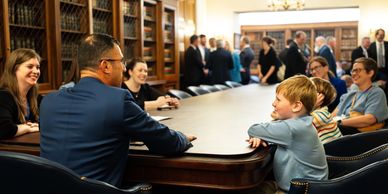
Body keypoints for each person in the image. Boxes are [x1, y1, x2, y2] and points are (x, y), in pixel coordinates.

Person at [40, 34, 195, 187]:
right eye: (121, 61)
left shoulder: (48, 101)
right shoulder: (118, 99)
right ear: (105, 66)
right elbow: (166, 142)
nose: (124, 67)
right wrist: (183, 137)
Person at [248, 75, 328, 193]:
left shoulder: (291, 129)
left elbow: (253, 129)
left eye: (278, 99)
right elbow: (267, 130)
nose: (273, 103)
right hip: (307, 187)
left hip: (299, 191)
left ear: (296, 106)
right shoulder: (303, 123)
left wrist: (260, 134)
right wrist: (262, 136)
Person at [333, 57, 388, 135]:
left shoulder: (376, 92)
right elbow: (332, 116)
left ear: (370, 73)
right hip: (343, 132)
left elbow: (369, 119)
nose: (354, 74)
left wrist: (339, 122)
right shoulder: (349, 95)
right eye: (353, 71)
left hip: (361, 136)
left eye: (358, 70)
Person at [0, 48, 40, 139]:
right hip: (10, 151)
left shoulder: (36, 98)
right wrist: (28, 128)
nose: (36, 71)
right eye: (30, 66)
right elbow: (4, 129)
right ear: (14, 69)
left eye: (38, 67)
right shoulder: (3, 97)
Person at [310, 77, 342, 144]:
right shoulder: (319, 112)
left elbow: (299, 124)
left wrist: (311, 106)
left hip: (330, 153)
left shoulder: (321, 115)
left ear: (320, 97)